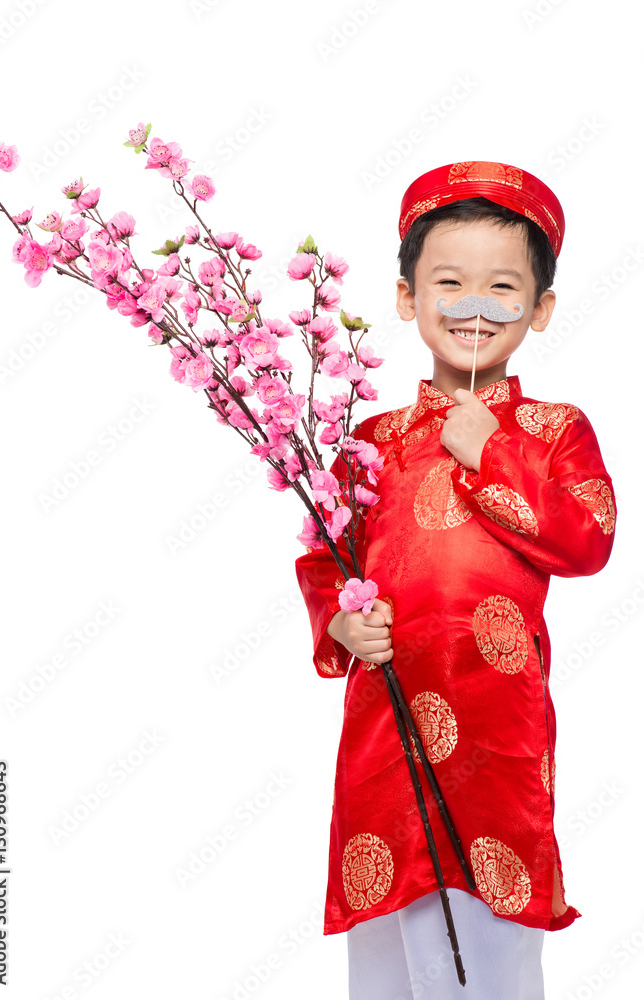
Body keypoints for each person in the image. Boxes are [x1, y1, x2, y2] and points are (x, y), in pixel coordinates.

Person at [294, 161, 617, 999]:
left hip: (494, 722)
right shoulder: (370, 437)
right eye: (448, 282)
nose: (474, 306)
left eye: (502, 287)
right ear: (406, 296)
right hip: (385, 718)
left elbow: (587, 541)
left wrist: (489, 453)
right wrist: (338, 621)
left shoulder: (553, 431)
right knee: (387, 942)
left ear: (538, 310)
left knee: (487, 943)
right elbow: (328, 553)